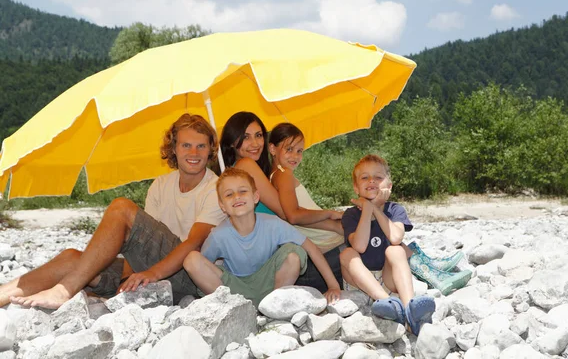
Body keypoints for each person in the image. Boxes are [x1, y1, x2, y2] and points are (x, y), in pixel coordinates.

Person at [1, 113, 226, 309]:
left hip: (189, 278)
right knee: (72, 258)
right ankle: (5, 294)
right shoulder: (161, 184)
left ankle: (63, 291)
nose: (194, 152)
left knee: (121, 208)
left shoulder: (216, 188)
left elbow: (194, 244)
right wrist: (123, 278)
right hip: (157, 269)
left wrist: (151, 274)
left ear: (210, 150)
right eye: (186, 145)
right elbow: (142, 244)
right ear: (174, 149)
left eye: (201, 146)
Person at [220, 112, 343, 292]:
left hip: (275, 260)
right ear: (232, 141)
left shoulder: (237, 174)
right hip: (281, 265)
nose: (255, 143)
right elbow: (288, 214)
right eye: (246, 137)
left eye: (259, 135)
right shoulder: (246, 165)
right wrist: (333, 222)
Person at [183, 168, 341, 306]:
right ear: (222, 205)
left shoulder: (273, 224)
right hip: (235, 289)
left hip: (271, 285)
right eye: (229, 194)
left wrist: (333, 285)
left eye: (243, 191)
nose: (237, 197)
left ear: (255, 197)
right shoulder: (218, 235)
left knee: (293, 252)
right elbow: (204, 266)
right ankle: (232, 309)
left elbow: (311, 248)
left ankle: (275, 306)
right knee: (191, 259)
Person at [340, 154, 438, 336]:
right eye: (365, 177)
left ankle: (409, 308)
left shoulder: (394, 210)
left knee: (396, 250)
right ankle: (389, 303)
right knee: (347, 254)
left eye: (378, 177)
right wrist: (368, 209)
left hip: (388, 279)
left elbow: (395, 237)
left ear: (389, 186)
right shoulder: (350, 215)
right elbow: (360, 246)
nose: (372, 181)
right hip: (360, 282)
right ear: (356, 187)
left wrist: (375, 208)